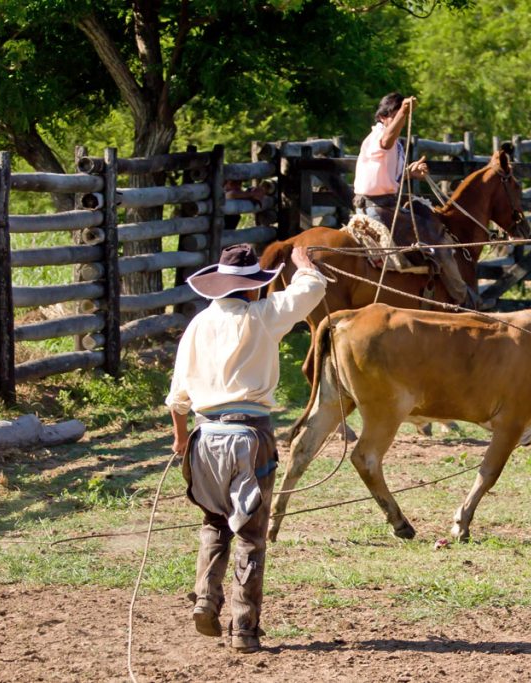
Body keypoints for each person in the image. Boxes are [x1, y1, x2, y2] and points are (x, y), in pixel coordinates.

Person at [165, 242, 326, 653]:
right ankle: (244, 628)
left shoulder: (198, 325)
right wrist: (304, 264)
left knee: (214, 522)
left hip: (204, 436)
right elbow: (310, 292)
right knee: (251, 535)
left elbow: (177, 394)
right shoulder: (262, 316)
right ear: (253, 287)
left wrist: (182, 438)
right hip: (249, 436)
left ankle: (206, 597)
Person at [353, 92, 471, 305]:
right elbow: (386, 142)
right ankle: (463, 299)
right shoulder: (379, 136)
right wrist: (404, 112)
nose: (401, 119)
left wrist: (409, 172)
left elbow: (384, 176)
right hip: (379, 209)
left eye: (402, 115)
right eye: (395, 115)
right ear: (383, 117)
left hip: (379, 205)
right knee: (439, 243)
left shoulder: (392, 143)